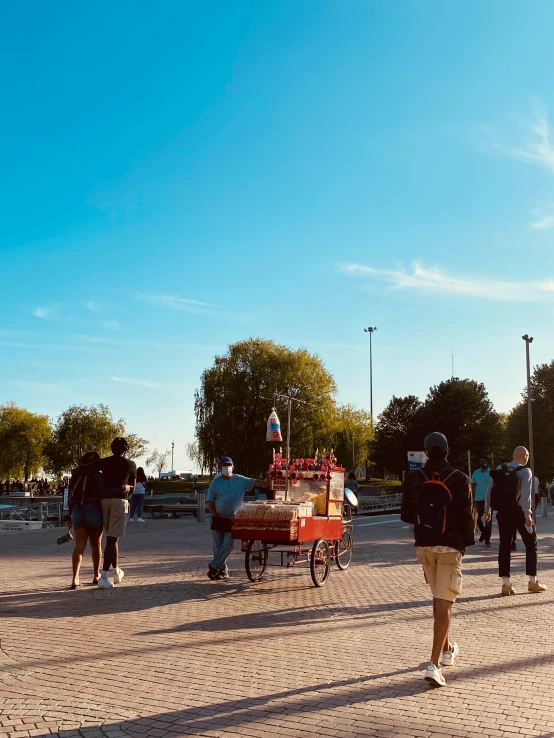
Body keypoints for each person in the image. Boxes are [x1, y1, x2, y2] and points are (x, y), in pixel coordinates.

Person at [401, 432, 475, 688]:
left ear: (425, 451)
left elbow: (407, 515)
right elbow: (468, 516)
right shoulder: (459, 478)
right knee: (444, 604)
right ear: (447, 451)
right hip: (450, 546)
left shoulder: (414, 478)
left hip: (424, 546)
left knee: (438, 598)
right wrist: (465, 541)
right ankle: (433, 664)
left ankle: (448, 648)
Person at [485, 446, 547, 596]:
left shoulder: (500, 468)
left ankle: (506, 584)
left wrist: (487, 509)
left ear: (513, 455)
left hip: (503, 513)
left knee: (504, 545)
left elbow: (490, 488)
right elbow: (526, 494)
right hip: (519, 513)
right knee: (531, 544)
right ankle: (533, 581)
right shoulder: (525, 471)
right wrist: (528, 515)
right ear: (526, 456)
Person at [206, 456, 270, 581]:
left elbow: (255, 482)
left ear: (233, 467)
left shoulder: (240, 480)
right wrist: (214, 515)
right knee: (218, 546)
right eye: (224, 466)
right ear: (220, 468)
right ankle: (221, 571)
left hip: (233, 519)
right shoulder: (215, 483)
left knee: (228, 544)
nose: (227, 468)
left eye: (229, 465)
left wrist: (268, 483)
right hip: (217, 517)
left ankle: (214, 566)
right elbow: (209, 500)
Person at [86, 437, 137, 589]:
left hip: (103, 501)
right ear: (125, 449)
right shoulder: (130, 464)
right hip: (119, 501)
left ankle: (116, 571)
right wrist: (126, 487)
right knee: (112, 539)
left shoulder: (104, 462)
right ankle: (104, 575)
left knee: (111, 538)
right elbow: (132, 488)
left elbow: (88, 469)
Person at [67, 452, 104, 589]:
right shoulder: (98, 476)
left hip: (77, 509)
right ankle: (96, 575)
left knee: (79, 546)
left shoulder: (76, 475)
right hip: (93, 508)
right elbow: (103, 493)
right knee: (96, 545)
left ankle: (75, 578)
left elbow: (69, 495)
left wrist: (69, 514)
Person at [471, 457, 492, 547]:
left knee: (488, 519)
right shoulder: (476, 473)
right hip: (478, 499)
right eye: (481, 461)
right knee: (478, 518)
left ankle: (487, 539)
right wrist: (470, 497)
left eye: (484, 461)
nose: (483, 463)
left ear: (487, 462)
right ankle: (484, 532)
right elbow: (472, 485)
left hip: (488, 499)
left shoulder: (491, 473)